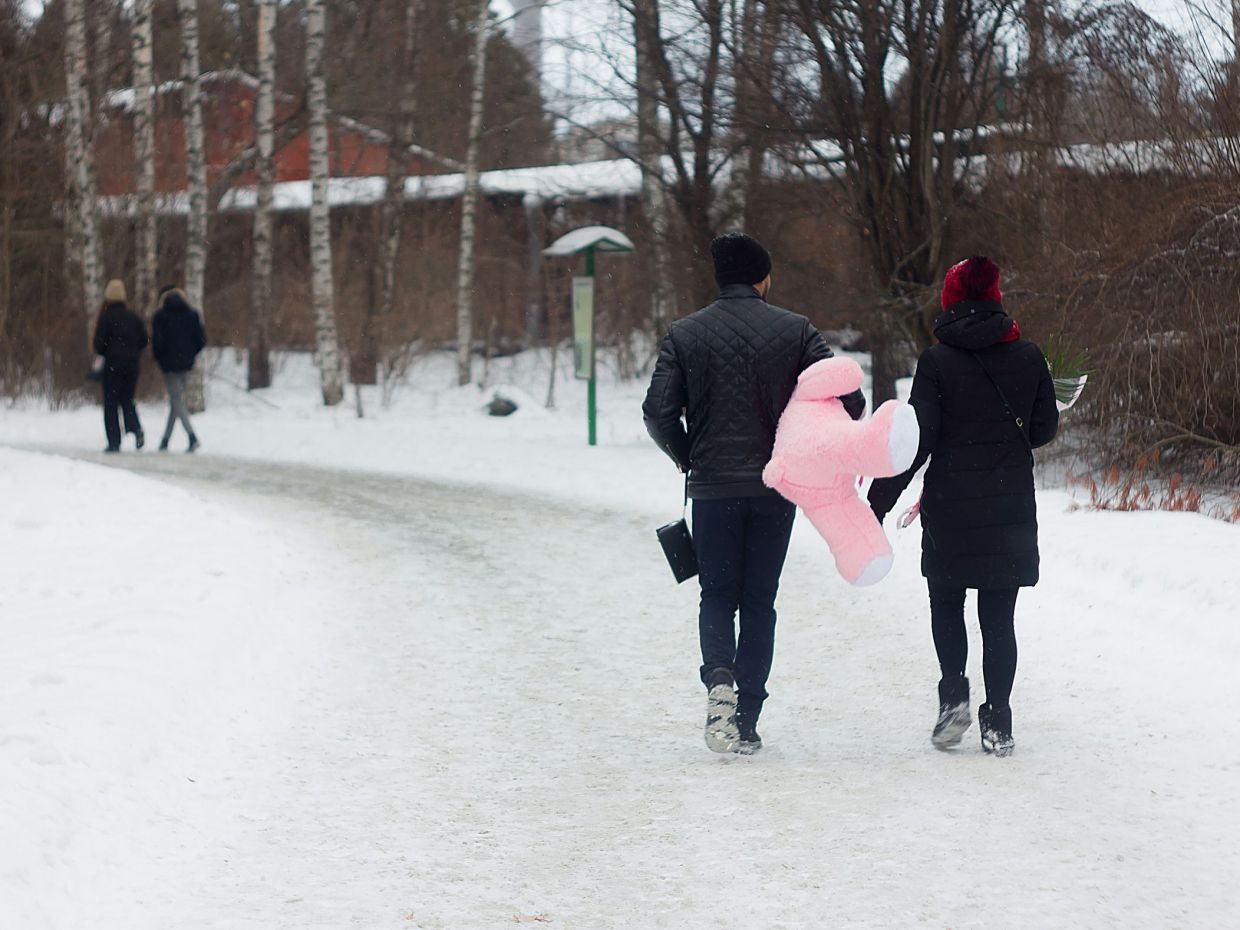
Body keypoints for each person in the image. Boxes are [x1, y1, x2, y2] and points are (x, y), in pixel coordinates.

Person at [643, 233, 866, 754]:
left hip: (713, 489)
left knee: (718, 594)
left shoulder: (684, 333)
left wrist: (688, 455)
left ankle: (718, 678)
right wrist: (811, 445)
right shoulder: (798, 331)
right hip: (775, 487)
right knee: (759, 600)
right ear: (763, 279)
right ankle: (747, 718)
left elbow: (657, 412)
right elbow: (850, 397)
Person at [868, 256, 1059, 757]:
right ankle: (998, 720)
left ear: (950, 301)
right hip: (1008, 507)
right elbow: (1041, 432)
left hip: (951, 506)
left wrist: (877, 500)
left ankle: (953, 695)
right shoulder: (1029, 355)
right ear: (996, 296)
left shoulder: (937, 362)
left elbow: (918, 441)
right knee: (998, 614)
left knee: (947, 601)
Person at [92, 279, 148, 453]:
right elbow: (144, 340)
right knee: (127, 399)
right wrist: (132, 351)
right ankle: (136, 429)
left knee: (111, 403)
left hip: (113, 365)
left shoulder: (106, 318)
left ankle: (114, 441)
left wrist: (111, 349)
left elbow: (98, 344)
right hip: (132, 364)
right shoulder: (133, 317)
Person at [151, 286, 207, 452]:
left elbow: (157, 342)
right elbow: (201, 339)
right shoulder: (192, 315)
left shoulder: (160, 317)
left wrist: (160, 358)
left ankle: (192, 436)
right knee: (176, 400)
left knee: (176, 400)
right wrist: (190, 353)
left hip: (168, 364)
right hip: (186, 363)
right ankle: (165, 440)